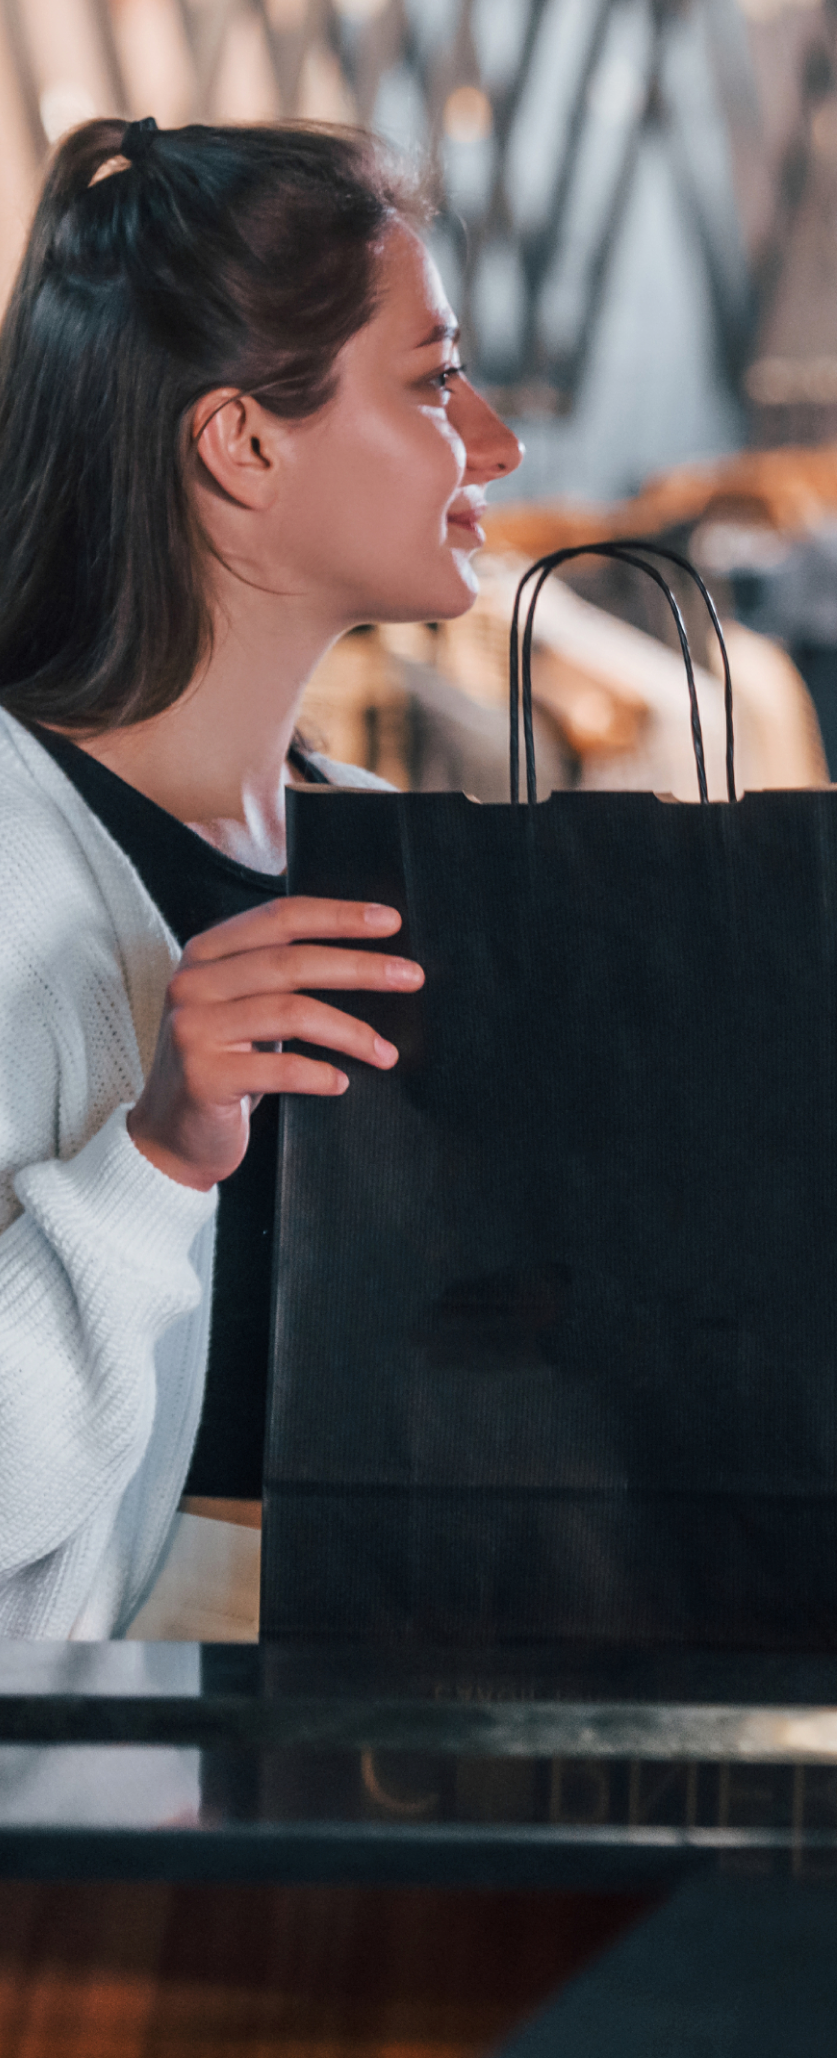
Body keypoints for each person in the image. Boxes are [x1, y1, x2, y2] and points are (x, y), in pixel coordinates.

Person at [0, 114, 520, 1641]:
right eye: (431, 383)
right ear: (240, 442)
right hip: (114, 1841)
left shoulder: (371, 838)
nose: (493, 441)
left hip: (387, 1773)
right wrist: (157, 1155)